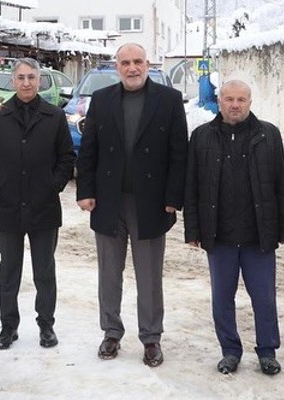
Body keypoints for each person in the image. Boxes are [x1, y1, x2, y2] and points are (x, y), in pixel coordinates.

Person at [77, 42, 188, 368]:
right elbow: (89, 150)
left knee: (149, 276)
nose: (132, 68)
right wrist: (85, 190)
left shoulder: (168, 100)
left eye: (137, 61)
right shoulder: (102, 99)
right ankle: (111, 331)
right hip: (108, 201)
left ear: (148, 64)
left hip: (151, 204)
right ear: (117, 67)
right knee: (109, 274)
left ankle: (151, 338)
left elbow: (178, 153)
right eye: (125, 62)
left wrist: (172, 199)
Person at [184, 79, 284, 376]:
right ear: (219, 102)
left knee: (264, 297)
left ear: (250, 102)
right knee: (222, 298)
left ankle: (267, 351)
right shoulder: (202, 136)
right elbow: (191, 186)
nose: (235, 105)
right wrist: (193, 229)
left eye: (241, 99)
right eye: (229, 99)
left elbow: (282, 183)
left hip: (259, 235)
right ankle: (230, 350)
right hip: (220, 237)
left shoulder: (268, 134)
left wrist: (283, 229)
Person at [0, 58, 76, 350]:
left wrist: (52, 185)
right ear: (13, 80)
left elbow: (67, 158)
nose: (26, 83)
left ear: (39, 80)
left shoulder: (53, 116)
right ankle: (8, 327)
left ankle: (46, 325)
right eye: (20, 77)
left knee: (44, 270)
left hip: (43, 206)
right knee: (9, 270)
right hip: (8, 205)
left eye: (31, 77)